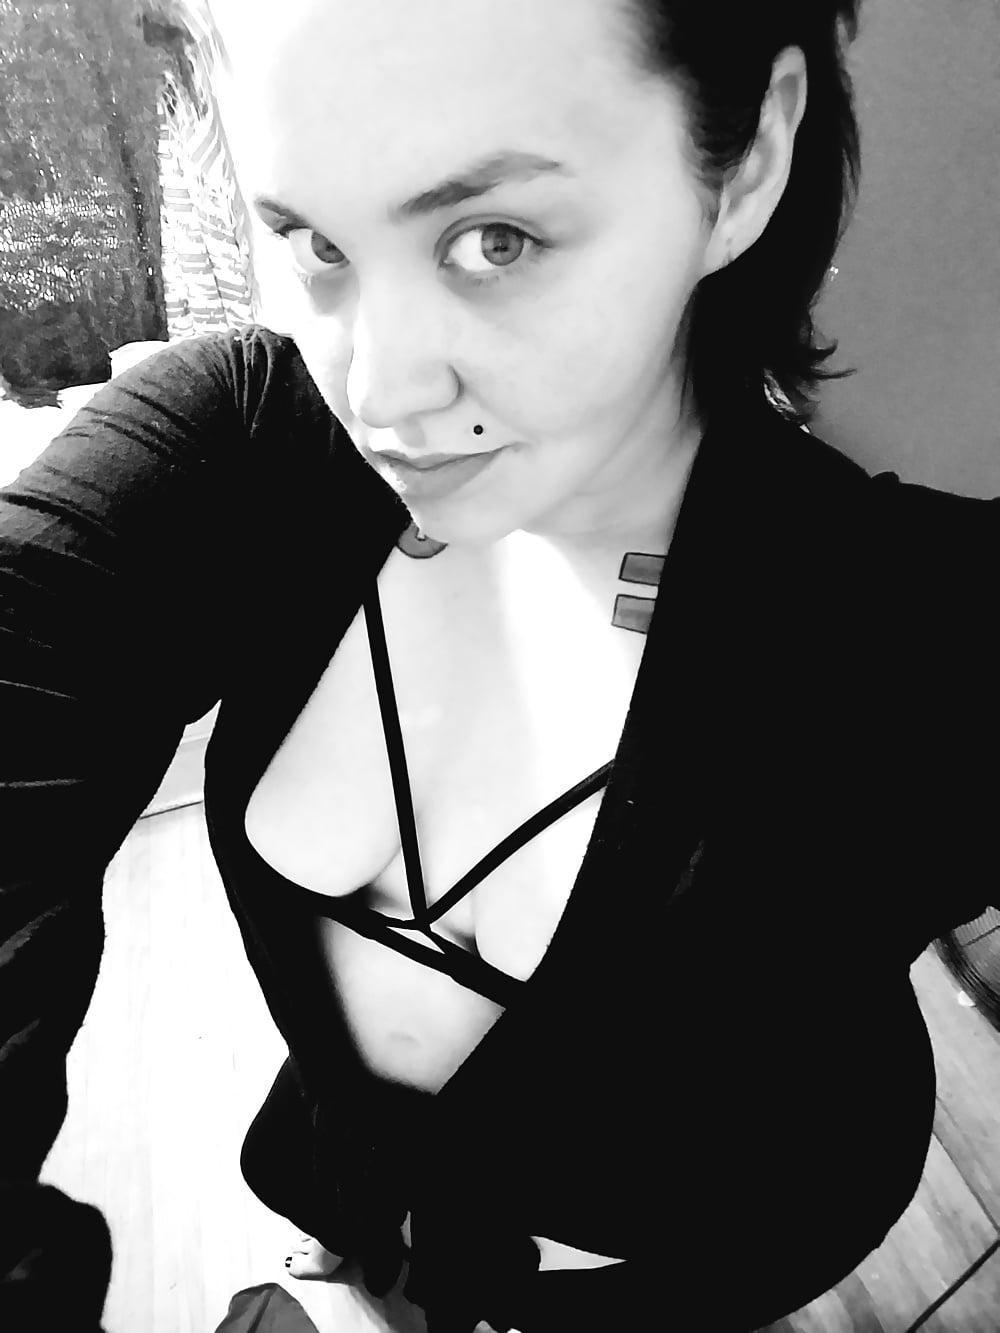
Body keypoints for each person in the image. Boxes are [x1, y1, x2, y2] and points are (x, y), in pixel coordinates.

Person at [1, 1, 997, 1329]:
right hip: (357, 1193)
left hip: (699, 1255)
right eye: (314, 244)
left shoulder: (924, 628)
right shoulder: (227, 453)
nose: (379, 391)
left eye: (496, 239)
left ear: (749, 157)